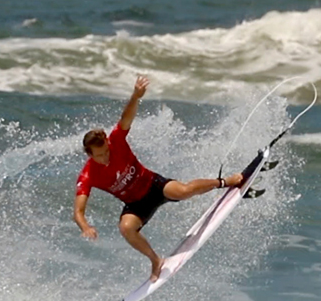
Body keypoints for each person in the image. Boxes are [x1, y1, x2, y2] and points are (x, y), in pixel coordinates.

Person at [74, 75, 243, 282]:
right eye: (99, 156)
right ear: (89, 154)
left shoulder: (116, 140)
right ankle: (156, 261)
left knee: (184, 191)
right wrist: (85, 227)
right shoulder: (88, 175)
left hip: (153, 185)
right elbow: (78, 211)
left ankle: (225, 181)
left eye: (106, 152)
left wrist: (136, 96)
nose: (105, 157)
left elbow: (126, 118)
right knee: (126, 228)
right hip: (136, 204)